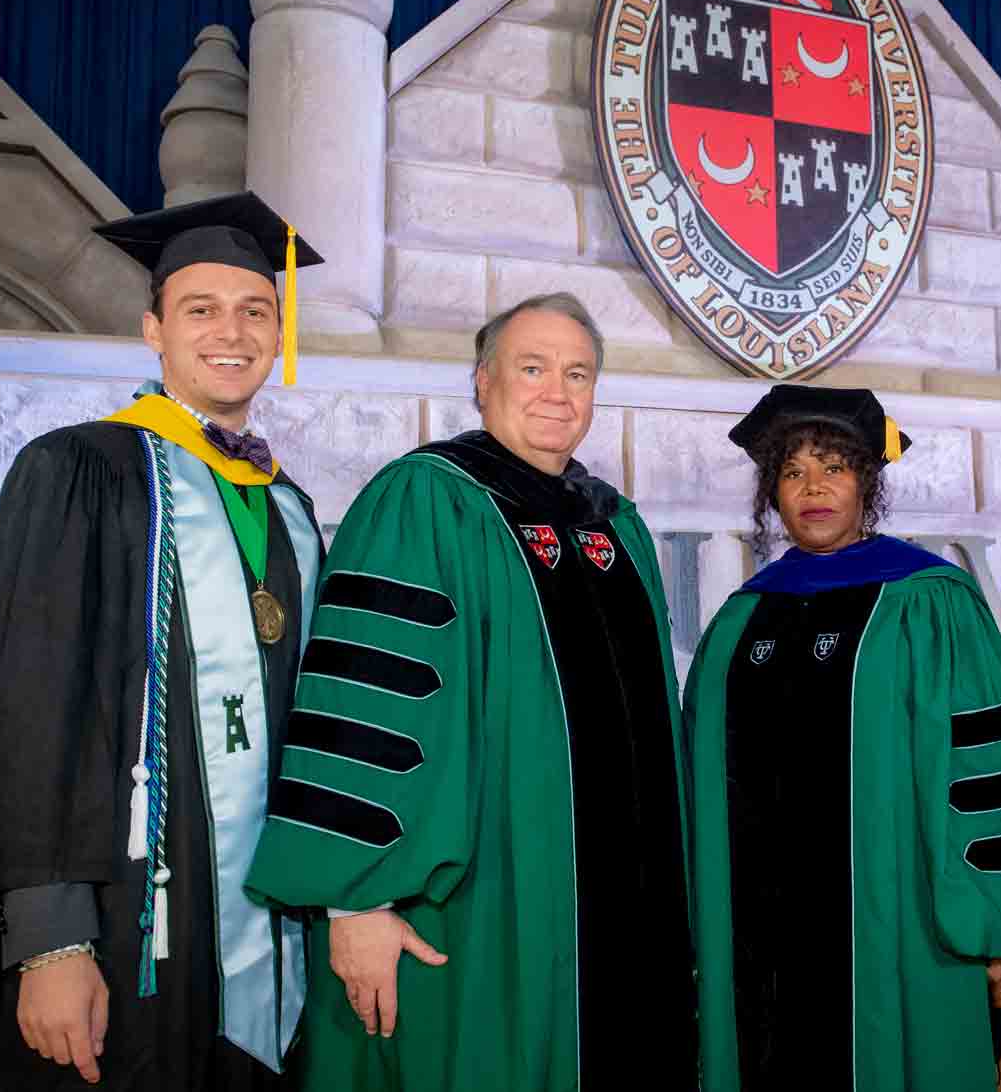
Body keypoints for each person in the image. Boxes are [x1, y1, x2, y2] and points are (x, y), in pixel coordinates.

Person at [0, 192, 328, 1090]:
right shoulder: (80, 472)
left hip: (269, 923)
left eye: (256, 311)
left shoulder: (290, 508)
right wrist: (51, 937)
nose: (233, 331)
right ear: (154, 329)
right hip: (130, 918)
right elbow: (29, 711)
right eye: (200, 310)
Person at [244, 293, 696, 1091]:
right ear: (482, 383)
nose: (557, 391)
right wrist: (355, 906)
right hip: (481, 914)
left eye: (578, 373)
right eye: (532, 368)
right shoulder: (429, 499)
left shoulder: (614, 527)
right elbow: (364, 710)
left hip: (622, 921)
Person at [682, 384, 1001, 1092]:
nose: (812, 488)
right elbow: (696, 783)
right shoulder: (741, 619)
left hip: (902, 924)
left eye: (834, 467)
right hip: (757, 934)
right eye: (792, 472)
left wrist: (999, 932)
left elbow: (991, 768)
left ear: (868, 483)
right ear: (772, 496)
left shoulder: (930, 601)